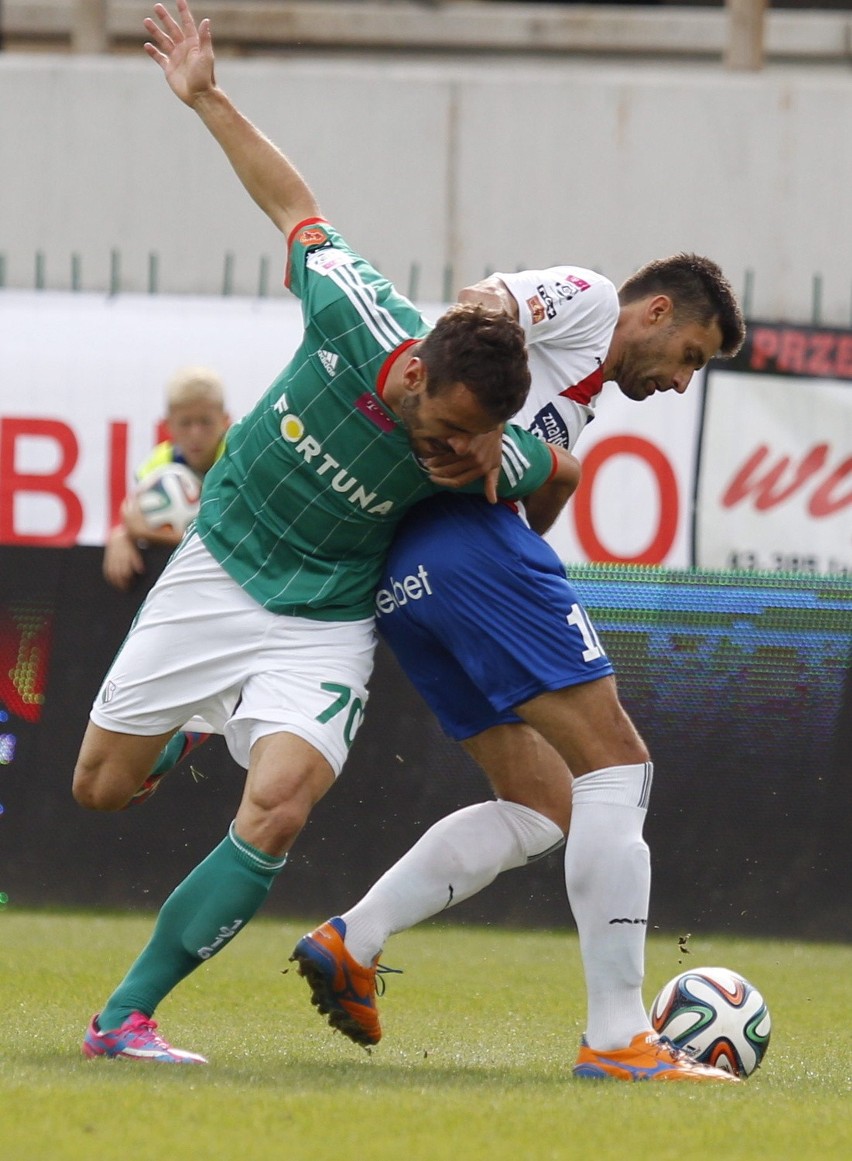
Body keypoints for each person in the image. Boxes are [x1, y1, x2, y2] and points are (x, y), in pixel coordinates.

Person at [73, 0, 581, 1066]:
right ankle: (188, 728)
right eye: (447, 427)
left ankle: (125, 1015)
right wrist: (206, 94)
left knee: (282, 806)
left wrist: (504, 468)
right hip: (222, 567)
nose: (452, 450)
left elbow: (564, 467)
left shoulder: (484, 438)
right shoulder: (358, 314)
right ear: (421, 367)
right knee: (101, 790)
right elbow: (292, 203)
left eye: (473, 440)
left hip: (326, 620)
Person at [291, 259, 747, 1083]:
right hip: (469, 551)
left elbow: (535, 484)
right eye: (691, 355)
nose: (683, 381)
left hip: (407, 574)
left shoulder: (579, 399)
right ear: (655, 310)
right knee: (618, 764)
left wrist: (528, 469)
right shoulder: (591, 298)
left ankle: (351, 941)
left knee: (543, 803)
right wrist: (489, 426)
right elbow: (479, 305)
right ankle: (619, 1040)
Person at [102, 365, 231, 591]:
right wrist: (121, 536)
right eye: (185, 423)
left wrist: (145, 533)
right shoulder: (156, 467)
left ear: (225, 420)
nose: (195, 433)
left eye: (206, 422)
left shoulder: (237, 463)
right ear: (168, 424)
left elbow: (227, 542)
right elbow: (130, 518)